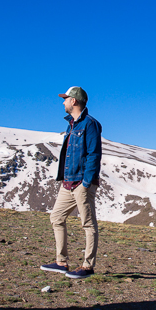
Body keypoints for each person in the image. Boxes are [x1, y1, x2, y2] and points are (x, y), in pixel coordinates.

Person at [40, 86, 103, 279]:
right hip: (68, 182)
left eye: (65, 98)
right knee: (56, 217)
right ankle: (61, 262)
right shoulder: (72, 125)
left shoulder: (90, 124)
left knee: (88, 224)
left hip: (82, 182)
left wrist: (86, 183)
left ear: (74, 101)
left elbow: (94, 154)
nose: (63, 102)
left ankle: (87, 266)